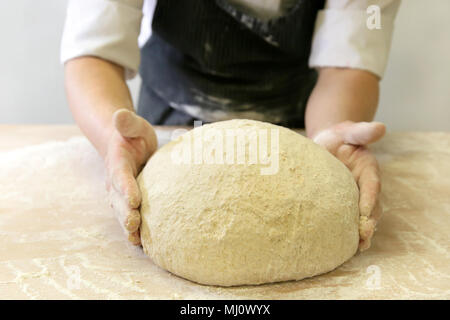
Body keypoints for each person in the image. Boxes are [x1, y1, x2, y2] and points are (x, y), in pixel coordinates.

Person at [61, 0, 401, 250]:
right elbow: (94, 51)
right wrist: (114, 138)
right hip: (168, 126)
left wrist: (333, 132)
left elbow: (345, 66)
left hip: (300, 132)